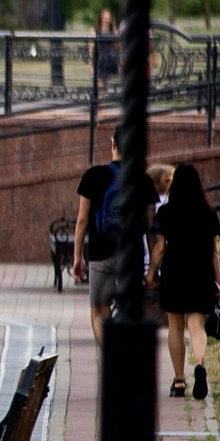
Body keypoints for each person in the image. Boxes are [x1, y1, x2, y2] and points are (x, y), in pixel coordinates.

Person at [73, 127, 159, 346]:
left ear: (113, 145)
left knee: (99, 312)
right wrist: (151, 270)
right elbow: (152, 229)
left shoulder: (93, 176)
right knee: (130, 312)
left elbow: (82, 220)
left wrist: (78, 257)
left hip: (100, 255)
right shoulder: (144, 181)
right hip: (132, 256)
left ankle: (110, 355)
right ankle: (126, 355)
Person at [148, 162, 220, 401]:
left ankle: (179, 381)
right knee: (197, 326)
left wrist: (150, 274)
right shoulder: (208, 213)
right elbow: (214, 253)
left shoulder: (166, 212)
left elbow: (160, 248)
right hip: (201, 273)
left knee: (175, 327)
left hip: (175, 272)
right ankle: (199, 364)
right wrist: (218, 282)